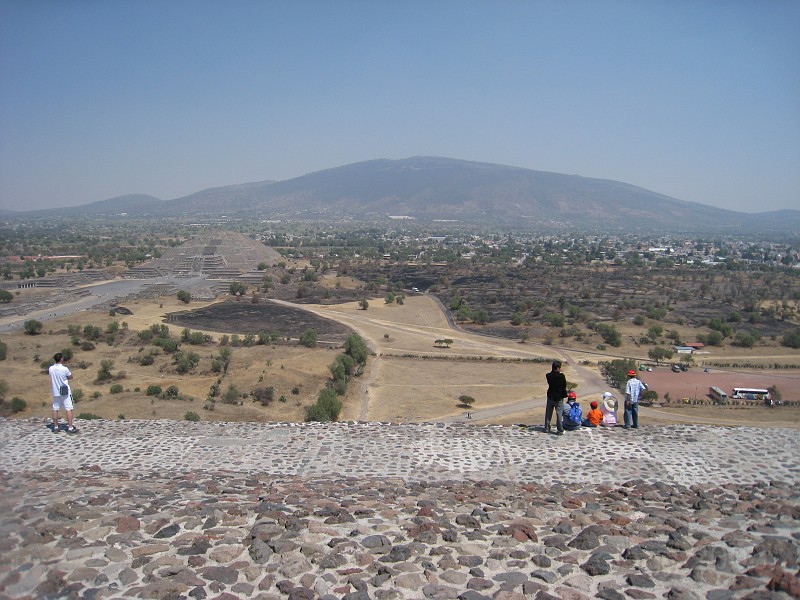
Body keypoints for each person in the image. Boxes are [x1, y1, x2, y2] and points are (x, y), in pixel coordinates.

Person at [49, 352, 78, 434]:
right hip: (64, 390)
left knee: (55, 408)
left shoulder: (51, 368)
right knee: (68, 408)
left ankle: (55, 426)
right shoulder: (64, 369)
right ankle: (70, 427)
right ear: (61, 359)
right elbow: (70, 377)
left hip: (55, 390)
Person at [544, 360, 567, 435]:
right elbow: (564, 386)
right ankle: (560, 429)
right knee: (559, 414)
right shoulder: (561, 376)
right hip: (558, 397)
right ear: (558, 368)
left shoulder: (548, 375)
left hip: (550, 396)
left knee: (548, 413)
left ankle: (547, 428)